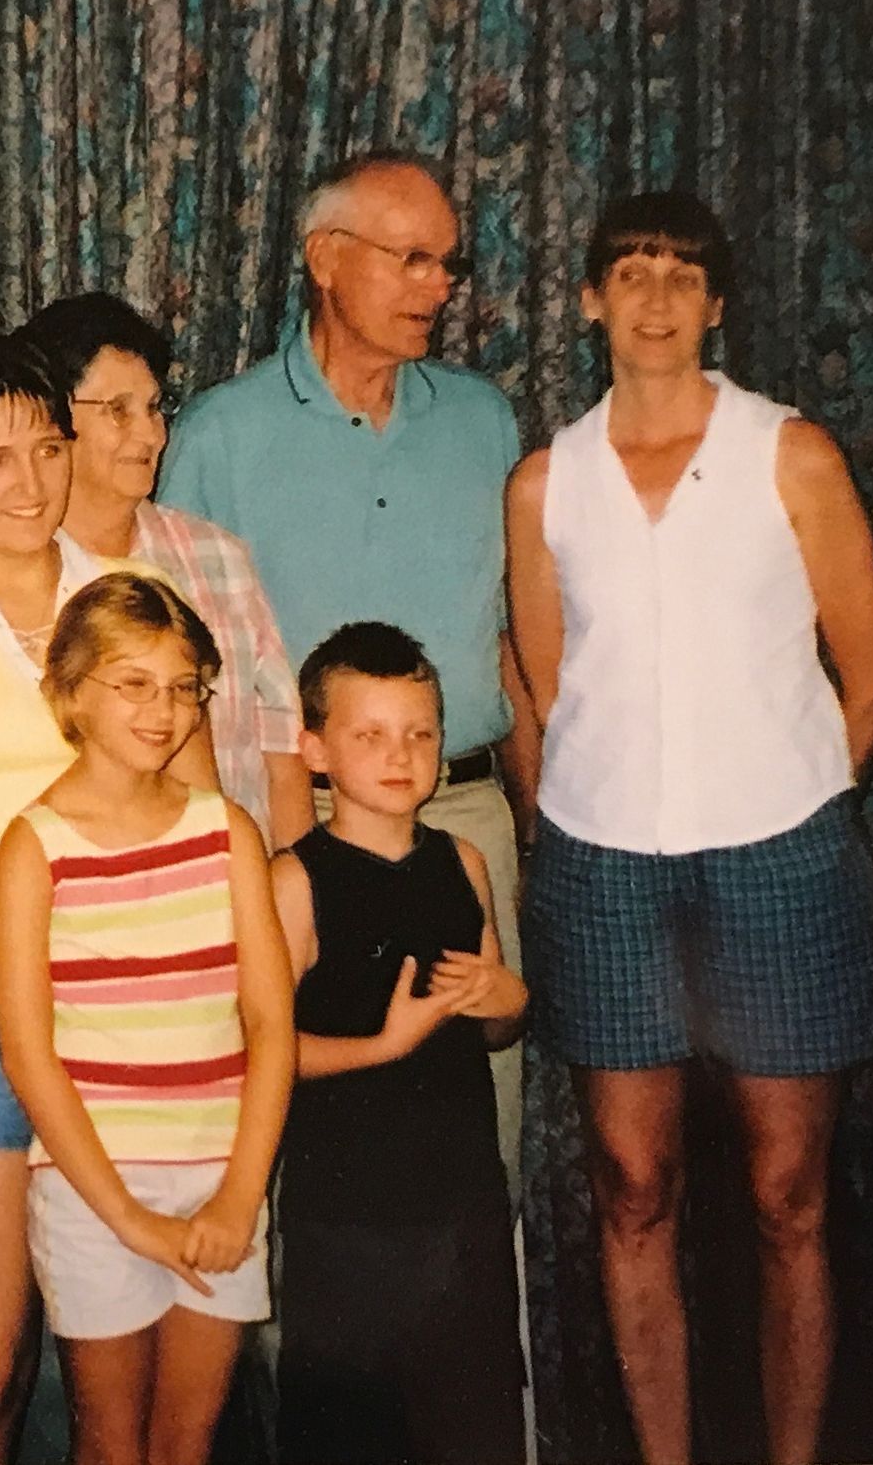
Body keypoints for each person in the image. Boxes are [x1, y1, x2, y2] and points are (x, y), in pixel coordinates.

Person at [506, 191, 873, 1465]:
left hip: (779, 857)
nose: (658, 298)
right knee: (633, 1189)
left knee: (787, 1193)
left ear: (716, 305)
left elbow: (872, 675)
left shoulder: (791, 455)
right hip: (604, 867)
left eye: (684, 276)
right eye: (632, 272)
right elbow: (543, 688)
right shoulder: (546, 482)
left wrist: (784, 798)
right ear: (590, 300)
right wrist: (578, 821)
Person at [0, 336, 222, 1465]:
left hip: (127, 990)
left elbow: (201, 819)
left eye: (49, 449)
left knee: (130, 1355)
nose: (30, 483)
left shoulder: (136, 602)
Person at [158, 147, 534, 1185]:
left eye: (448, 263)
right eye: (412, 259)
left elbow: (508, 638)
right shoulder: (220, 434)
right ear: (325, 258)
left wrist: (529, 818)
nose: (440, 287)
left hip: (462, 820)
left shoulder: (483, 422)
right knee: (297, 1124)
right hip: (295, 826)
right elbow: (176, 666)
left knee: (476, 1124)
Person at [0, 572, 292, 1465]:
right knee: (112, 1444)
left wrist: (240, 1193)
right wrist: (125, 1215)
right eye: (134, 684)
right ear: (70, 691)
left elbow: (270, 1024)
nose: (163, 710)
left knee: (187, 1442)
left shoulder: (226, 831)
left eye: (182, 687)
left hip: (219, 1181)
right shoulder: (34, 846)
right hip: (96, 1192)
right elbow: (28, 1053)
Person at [270, 622, 528, 1465]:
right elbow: (263, 1055)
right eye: (370, 734)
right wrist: (382, 1046)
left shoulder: (463, 861)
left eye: (420, 733)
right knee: (352, 1431)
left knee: (470, 1422)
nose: (400, 754)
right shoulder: (294, 879)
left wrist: (507, 1001)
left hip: (459, 1207)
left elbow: (494, 1019)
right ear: (315, 749)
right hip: (347, 1217)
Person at [12, 292, 313, 849]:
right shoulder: (6, 571)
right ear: (51, 418)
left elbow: (281, 750)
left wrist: (293, 885)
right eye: (118, 410)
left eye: (154, 408)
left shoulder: (218, 558)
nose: (152, 435)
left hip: (232, 876)